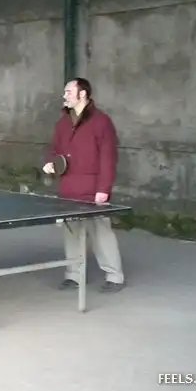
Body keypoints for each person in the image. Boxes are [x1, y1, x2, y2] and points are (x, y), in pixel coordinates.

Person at [42, 77, 125, 293]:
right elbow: (54, 150)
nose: (64, 96)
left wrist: (103, 189)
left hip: (93, 188)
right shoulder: (62, 122)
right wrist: (50, 163)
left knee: (101, 233)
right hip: (69, 187)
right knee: (72, 232)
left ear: (83, 94)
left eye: (68, 92)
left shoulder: (102, 122)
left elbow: (108, 157)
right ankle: (74, 274)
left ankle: (114, 276)